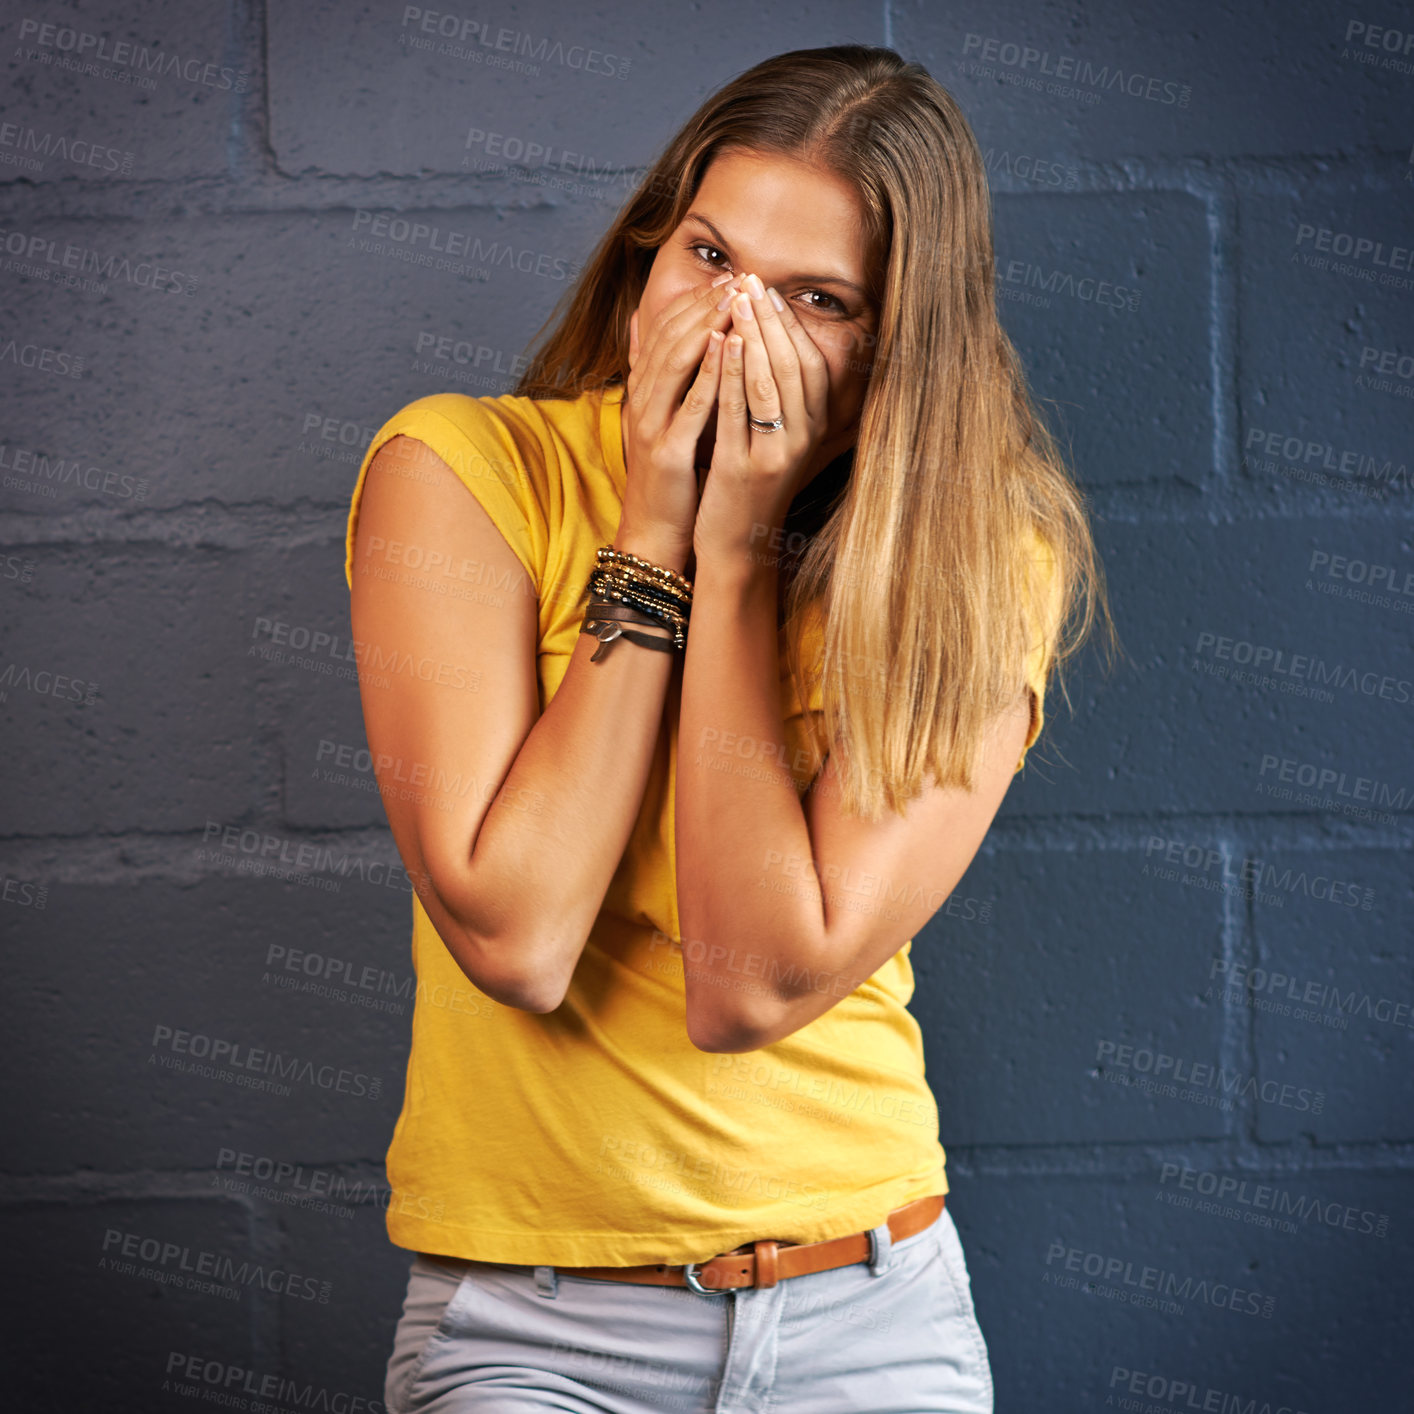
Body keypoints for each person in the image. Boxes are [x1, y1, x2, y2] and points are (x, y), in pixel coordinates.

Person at [345, 42, 1110, 1414]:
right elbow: (514, 936)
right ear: (649, 249)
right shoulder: (463, 475)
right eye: (710, 259)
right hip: (532, 1327)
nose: (734, 325)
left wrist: (740, 548)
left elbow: (749, 982)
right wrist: (653, 531)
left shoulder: (975, 555)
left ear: (897, 345)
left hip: (868, 1304)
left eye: (814, 299)